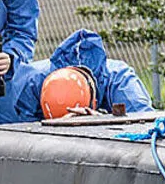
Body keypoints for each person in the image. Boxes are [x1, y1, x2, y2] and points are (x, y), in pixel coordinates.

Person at [11, 29, 153, 121]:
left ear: (94, 101)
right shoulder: (32, 83)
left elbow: (145, 125)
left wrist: (100, 121)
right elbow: (23, 133)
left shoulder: (121, 82)